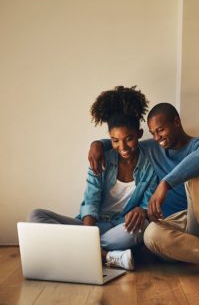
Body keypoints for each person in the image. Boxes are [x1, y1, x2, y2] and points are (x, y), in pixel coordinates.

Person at [88, 103, 199, 290]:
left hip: (196, 219)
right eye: (153, 132)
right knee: (150, 234)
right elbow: (125, 141)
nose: (157, 137)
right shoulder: (153, 148)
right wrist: (97, 145)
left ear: (177, 122)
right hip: (170, 228)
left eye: (161, 130)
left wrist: (165, 183)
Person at [29, 86, 159, 270]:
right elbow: (91, 200)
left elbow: (148, 202)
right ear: (109, 139)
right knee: (36, 216)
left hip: (121, 228)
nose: (123, 146)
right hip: (93, 223)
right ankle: (108, 257)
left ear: (139, 134)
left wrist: (142, 210)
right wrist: (87, 236)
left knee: (141, 228)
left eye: (129, 138)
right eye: (115, 140)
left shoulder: (150, 163)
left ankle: (72, 251)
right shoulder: (102, 158)